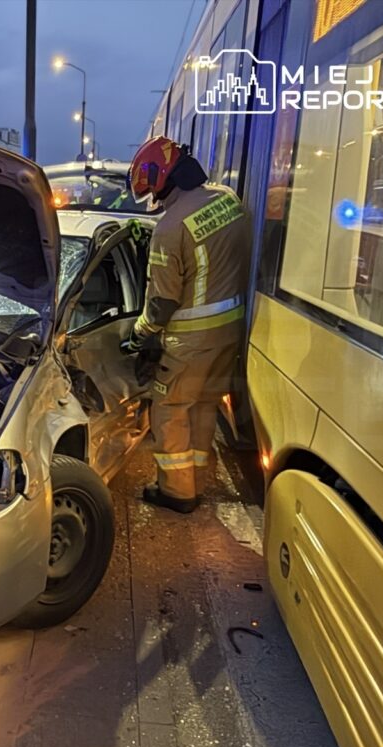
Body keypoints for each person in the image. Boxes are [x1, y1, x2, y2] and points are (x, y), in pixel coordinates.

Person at [124, 137, 251, 514]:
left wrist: (139, 334)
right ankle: (199, 478)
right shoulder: (228, 200)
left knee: (170, 411)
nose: (155, 200)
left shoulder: (169, 229)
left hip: (190, 342)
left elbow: (162, 304)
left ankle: (177, 492)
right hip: (230, 333)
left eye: (153, 191)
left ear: (161, 178)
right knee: (203, 407)